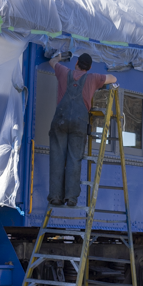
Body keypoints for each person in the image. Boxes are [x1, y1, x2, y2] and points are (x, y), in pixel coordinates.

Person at [45, 52, 116, 207]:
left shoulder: (64, 72)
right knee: (74, 159)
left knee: (57, 158)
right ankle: (71, 198)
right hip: (79, 123)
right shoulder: (93, 78)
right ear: (89, 67)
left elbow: (52, 62)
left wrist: (58, 57)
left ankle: (56, 197)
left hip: (60, 121)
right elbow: (113, 78)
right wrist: (101, 83)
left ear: (76, 62)